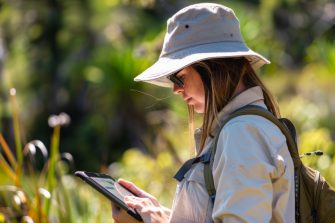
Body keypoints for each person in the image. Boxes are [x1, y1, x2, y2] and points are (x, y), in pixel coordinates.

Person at [112, 3, 295, 223]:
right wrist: (164, 216)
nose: (176, 89)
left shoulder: (241, 134)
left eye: (179, 76)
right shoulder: (242, 129)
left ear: (213, 67)